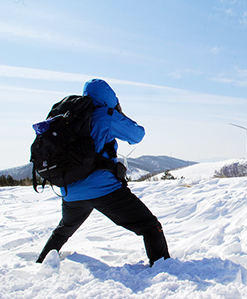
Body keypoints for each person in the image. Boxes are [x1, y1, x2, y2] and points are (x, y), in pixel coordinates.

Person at [36, 79, 170, 267]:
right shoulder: (105, 115)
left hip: (71, 192)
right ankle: (163, 267)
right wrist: (118, 113)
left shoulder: (68, 119)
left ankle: (41, 265)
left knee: (63, 231)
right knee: (150, 226)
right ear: (109, 97)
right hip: (104, 190)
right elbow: (137, 135)